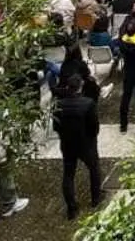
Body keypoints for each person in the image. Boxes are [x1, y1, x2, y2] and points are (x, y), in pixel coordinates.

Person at [52, 74, 102, 221]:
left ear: (68, 87)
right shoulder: (88, 103)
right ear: (81, 87)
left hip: (67, 143)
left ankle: (71, 208)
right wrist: (91, 138)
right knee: (94, 169)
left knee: (68, 174)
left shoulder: (59, 105)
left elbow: (56, 126)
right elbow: (94, 127)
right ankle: (95, 199)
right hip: (86, 143)